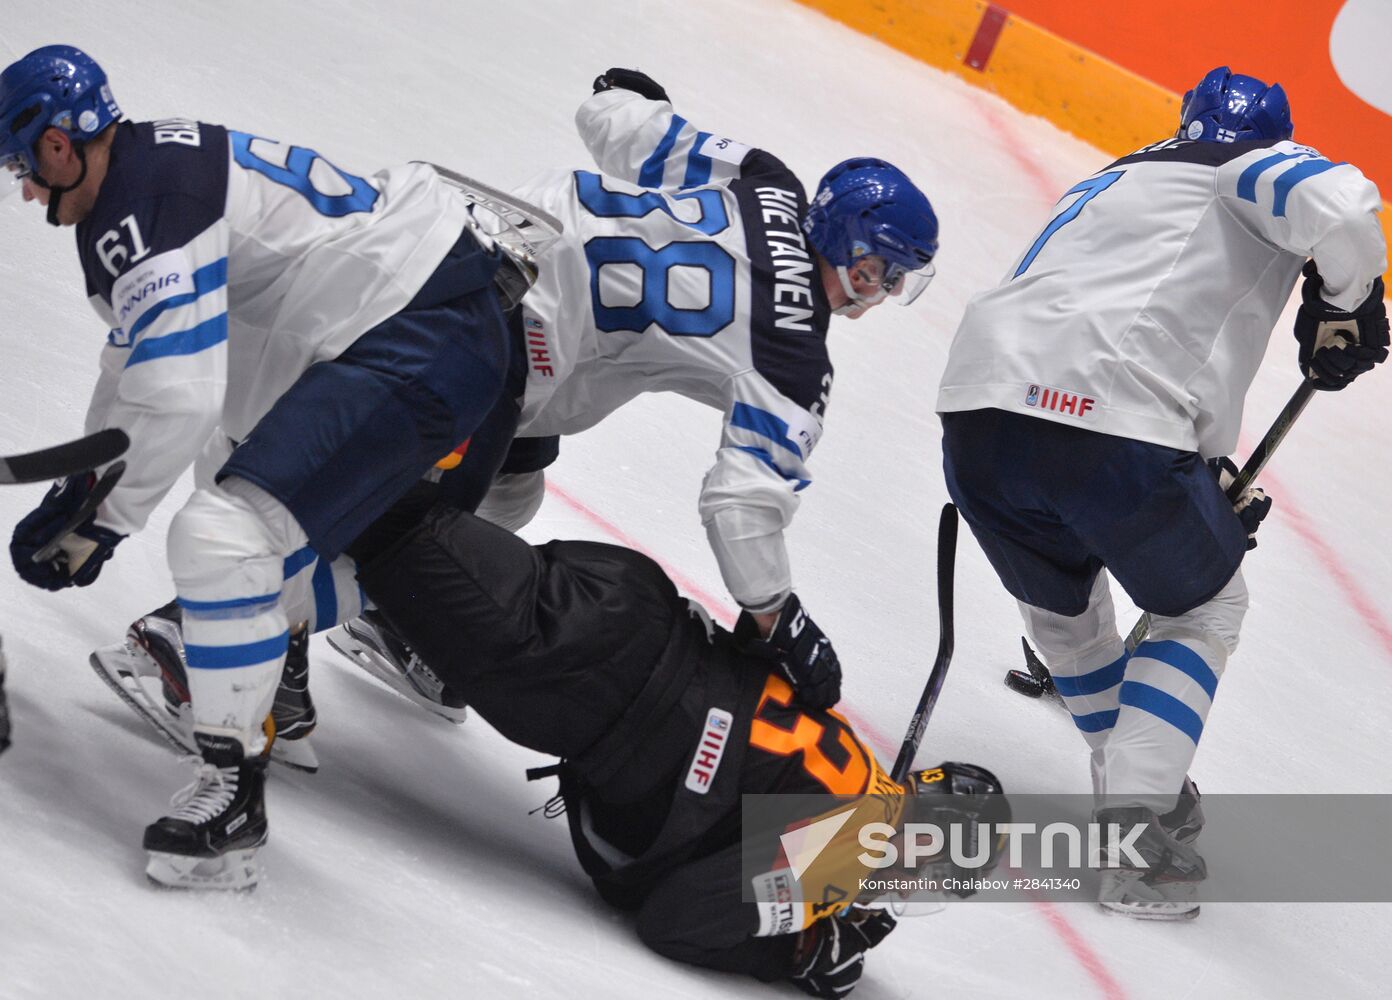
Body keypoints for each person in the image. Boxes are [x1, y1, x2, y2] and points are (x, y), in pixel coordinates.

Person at [0, 45, 544, 889]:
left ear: (58, 144)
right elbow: (138, 367)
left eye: (22, 166)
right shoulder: (148, 175)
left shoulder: (140, 206)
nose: (26, 190)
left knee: (224, 534)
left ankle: (234, 792)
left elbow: (174, 393)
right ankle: (268, 654)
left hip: (421, 338)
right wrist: (84, 494)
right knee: (231, 492)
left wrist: (99, 520)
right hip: (414, 324)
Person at [335, 66, 942, 717]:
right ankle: (272, 625)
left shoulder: (771, 181)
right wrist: (779, 617)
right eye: (886, 276)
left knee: (512, 490)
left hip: (507, 222)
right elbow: (741, 507)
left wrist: (622, 99)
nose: (887, 293)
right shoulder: (792, 356)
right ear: (860, 258)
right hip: (514, 327)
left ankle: (382, 614)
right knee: (412, 531)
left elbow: (632, 133)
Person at [935, 66, 1388, 918]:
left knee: (1069, 618)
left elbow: (1136, 317)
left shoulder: (1115, 176)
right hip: (1111, 429)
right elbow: (1344, 206)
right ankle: (1136, 841)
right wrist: (1347, 301)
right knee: (1204, 607)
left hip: (977, 419)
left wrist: (1202, 470)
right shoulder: (1246, 163)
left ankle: (1137, 778)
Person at [350, 502, 1006, 997]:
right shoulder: (846, 850)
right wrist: (796, 951)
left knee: (388, 503)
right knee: (361, 511)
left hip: (630, 609)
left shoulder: (858, 780)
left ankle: (407, 630)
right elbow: (677, 921)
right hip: (585, 679)